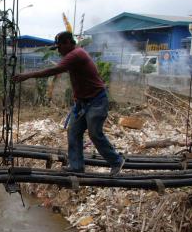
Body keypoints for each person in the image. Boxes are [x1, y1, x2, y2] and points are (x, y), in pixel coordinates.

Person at [13, 31, 125, 176]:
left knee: (95, 134)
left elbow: (54, 70)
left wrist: (27, 75)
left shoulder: (76, 54)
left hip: (96, 100)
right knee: (73, 131)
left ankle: (116, 161)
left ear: (67, 43)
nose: (58, 51)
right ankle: (76, 166)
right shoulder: (72, 55)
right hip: (82, 103)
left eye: (59, 47)